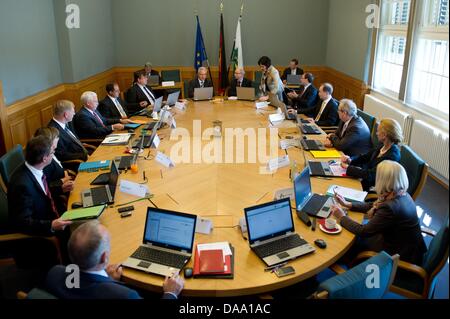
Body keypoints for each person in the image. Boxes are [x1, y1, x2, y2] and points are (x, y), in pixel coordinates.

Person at [45, 220, 185, 299]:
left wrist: (107, 279)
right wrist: (170, 293)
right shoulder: (125, 296)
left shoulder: (54, 273)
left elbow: (81, 286)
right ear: (105, 257)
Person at [331, 160, 427, 265]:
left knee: (340, 244)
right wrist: (348, 204)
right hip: (406, 247)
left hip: (399, 258)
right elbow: (373, 204)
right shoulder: (400, 193)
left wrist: (342, 217)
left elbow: (363, 231)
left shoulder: (390, 207)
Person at [8, 135, 72, 236]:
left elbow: (40, 193)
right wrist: (51, 225)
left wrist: (60, 188)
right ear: (45, 159)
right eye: (52, 152)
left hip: (55, 214)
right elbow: (23, 223)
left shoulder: (36, 166)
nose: (53, 154)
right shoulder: (21, 185)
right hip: (44, 231)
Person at [341, 119, 402, 191]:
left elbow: (371, 175)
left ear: (384, 135)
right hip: (364, 179)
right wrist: (350, 160)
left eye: (378, 131)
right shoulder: (382, 145)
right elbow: (366, 156)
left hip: (375, 188)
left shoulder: (392, 155)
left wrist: (349, 168)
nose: (376, 133)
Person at [34, 127, 74, 214]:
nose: (58, 139)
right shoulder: (44, 162)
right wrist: (61, 181)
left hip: (67, 184)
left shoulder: (51, 153)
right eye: (56, 137)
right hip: (60, 198)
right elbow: (46, 186)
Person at [48, 100, 89, 164]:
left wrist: (81, 145)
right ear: (66, 115)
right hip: (76, 162)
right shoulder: (53, 132)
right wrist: (83, 156)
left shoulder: (68, 123)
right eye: (73, 111)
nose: (74, 113)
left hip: (83, 152)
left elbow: (74, 140)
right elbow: (61, 155)